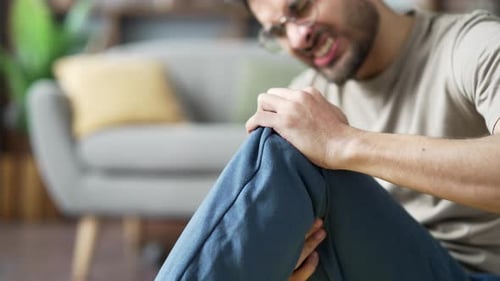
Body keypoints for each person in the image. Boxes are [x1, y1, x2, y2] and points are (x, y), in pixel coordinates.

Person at [155, 0, 500, 280]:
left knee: (283, 144)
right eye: (277, 31)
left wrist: (342, 144)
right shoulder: (310, 93)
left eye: (301, 7)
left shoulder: (473, 44)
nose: (297, 38)